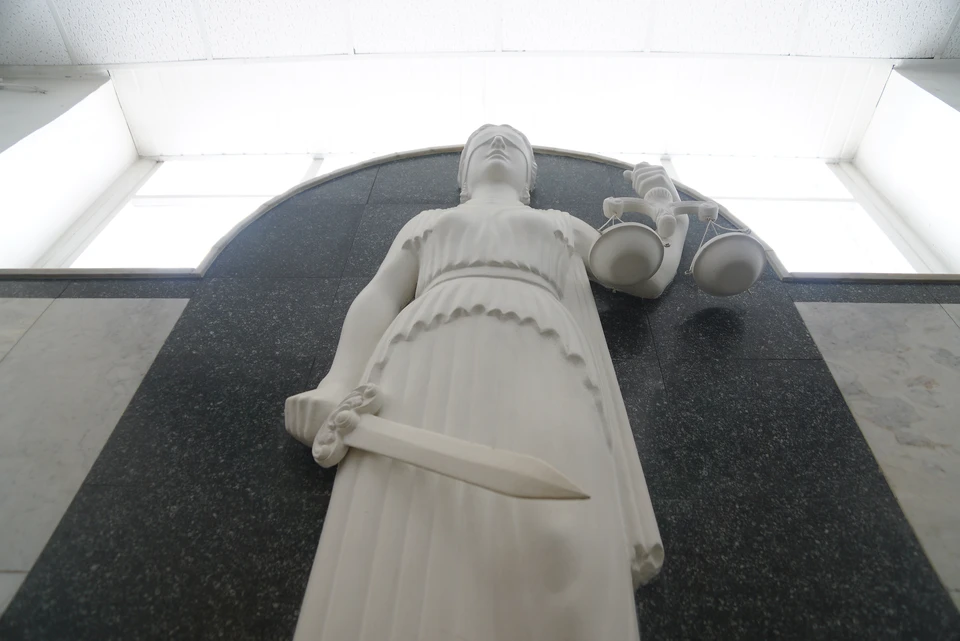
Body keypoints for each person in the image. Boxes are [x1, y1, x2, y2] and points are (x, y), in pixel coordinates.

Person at [285, 125, 668, 640]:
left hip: (545, 353)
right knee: (406, 511)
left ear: (530, 178)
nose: (498, 142)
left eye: (514, 141)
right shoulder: (429, 222)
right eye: (483, 140)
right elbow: (380, 295)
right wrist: (337, 382)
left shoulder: (558, 224)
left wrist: (666, 212)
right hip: (423, 354)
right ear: (462, 176)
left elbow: (648, 276)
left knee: (564, 523)